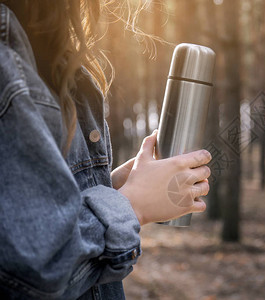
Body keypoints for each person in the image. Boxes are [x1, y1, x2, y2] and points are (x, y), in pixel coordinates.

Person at [0, 1, 211, 299]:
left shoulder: (41, 49)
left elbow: (20, 207)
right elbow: (32, 271)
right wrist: (133, 204)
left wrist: (113, 187)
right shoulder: (7, 59)